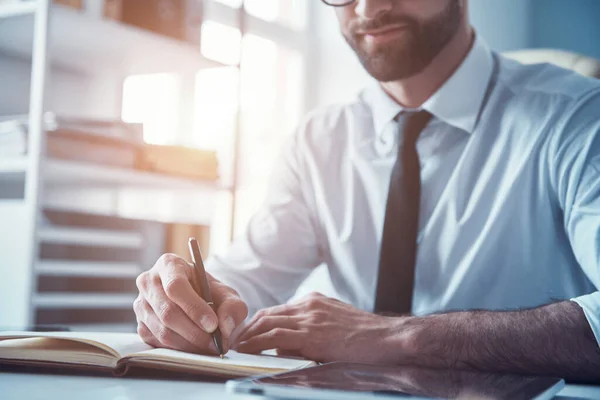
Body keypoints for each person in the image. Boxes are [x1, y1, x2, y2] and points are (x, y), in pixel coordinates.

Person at [133, 0, 600, 381]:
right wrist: (188, 302)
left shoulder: (577, 120)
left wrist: (401, 338)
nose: (369, 6)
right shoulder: (318, 142)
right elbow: (241, 288)